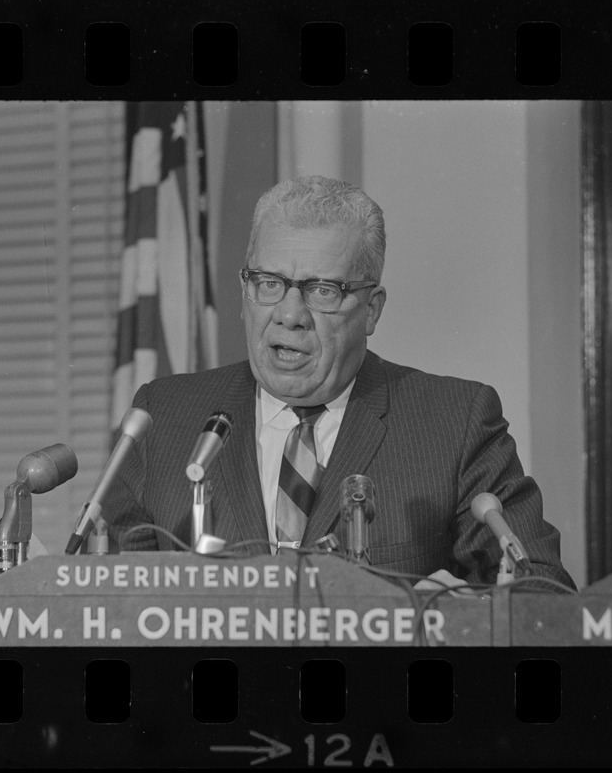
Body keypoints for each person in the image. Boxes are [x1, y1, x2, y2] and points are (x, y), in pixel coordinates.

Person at [103, 175, 576, 593]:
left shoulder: (455, 421)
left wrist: (445, 613)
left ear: (371, 310)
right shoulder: (163, 418)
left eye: (322, 291)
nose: (289, 315)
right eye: (268, 283)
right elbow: (97, 590)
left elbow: (542, 591)